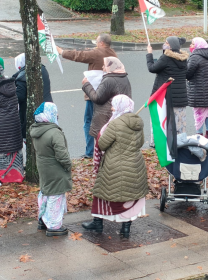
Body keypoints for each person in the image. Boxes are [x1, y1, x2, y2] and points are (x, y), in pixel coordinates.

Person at [82, 95, 148, 239]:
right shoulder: (138, 123)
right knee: (130, 197)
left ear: (120, 107)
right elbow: (141, 142)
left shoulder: (115, 124)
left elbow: (102, 144)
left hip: (114, 165)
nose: (111, 108)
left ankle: (97, 223)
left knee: (101, 193)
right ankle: (125, 228)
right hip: (135, 166)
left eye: (114, 105)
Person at [57, 34, 117, 159]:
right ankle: (107, 149)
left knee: (89, 122)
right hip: (109, 93)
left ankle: (90, 151)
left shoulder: (97, 53)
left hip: (94, 93)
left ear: (101, 43)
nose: (95, 42)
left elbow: (79, 55)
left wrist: (62, 52)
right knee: (107, 121)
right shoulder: (113, 54)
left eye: (97, 40)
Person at [30, 102, 72, 237]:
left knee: (45, 192)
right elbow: (62, 154)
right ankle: (54, 226)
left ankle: (43, 220)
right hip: (55, 169)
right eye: (55, 112)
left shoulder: (36, 130)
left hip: (43, 167)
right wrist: (68, 165)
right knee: (56, 195)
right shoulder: (54, 132)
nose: (57, 115)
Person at [146, 36, 188, 145]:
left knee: (160, 121)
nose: (164, 44)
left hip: (164, 96)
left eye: (166, 43)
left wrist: (149, 54)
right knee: (179, 122)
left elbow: (152, 68)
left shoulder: (166, 58)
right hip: (180, 97)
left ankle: (158, 143)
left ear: (171, 46)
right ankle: (179, 143)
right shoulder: (183, 59)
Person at [82, 57, 131, 139]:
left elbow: (97, 98)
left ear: (110, 66)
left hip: (105, 120)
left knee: (103, 146)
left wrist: (86, 85)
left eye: (104, 65)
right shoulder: (124, 77)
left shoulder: (109, 80)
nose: (102, 67)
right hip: (120, 118)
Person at [12, 53, 53, 139]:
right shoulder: (42, 68)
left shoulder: (22, 77)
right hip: (49, 108)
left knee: (34, 140)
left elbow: (19, 96)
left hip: (34, 114)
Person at [187, 37, 208, 137]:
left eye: (192, 44)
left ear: (197, 46)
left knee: (199, 116)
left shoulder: (195, 57)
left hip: (198, 93)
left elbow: (187, 74)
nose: (190, 46)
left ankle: (199, 137)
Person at [0, 57, 24, 183]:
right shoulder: (10, 84)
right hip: (13, 129)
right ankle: (15, 176)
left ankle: (2, 178)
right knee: (12, 153)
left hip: (2, 130)